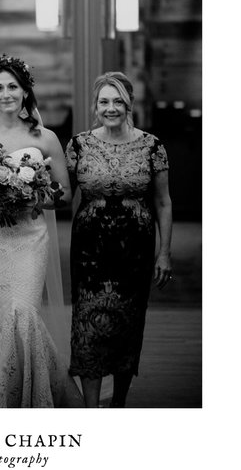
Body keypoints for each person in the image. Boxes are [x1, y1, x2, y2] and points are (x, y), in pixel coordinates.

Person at [0, 54, 79, 407]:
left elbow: (64, 194)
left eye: (13, 87)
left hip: (28, 238)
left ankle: (28, 395)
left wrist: (31, 194)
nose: (6, 94)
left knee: (21, 311)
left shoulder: (45, 137)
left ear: (25, 93)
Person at [64, 71, 174, 407]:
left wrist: (164, 253)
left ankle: (118, 405)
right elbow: (60, 194)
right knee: (88, 328)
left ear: (129, 104)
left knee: (127, 327)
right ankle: (91, 409)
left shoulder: (151, 145)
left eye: (117, 101)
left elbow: (162, 202)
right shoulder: (79, 145)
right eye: (104, 102)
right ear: (95, 106)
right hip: (89, 252)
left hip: (134, 251)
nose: (111, 108)